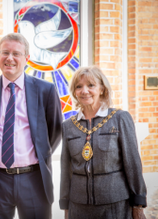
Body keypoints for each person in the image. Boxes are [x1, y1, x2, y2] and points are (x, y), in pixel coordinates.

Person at [0, 33, 63, 219]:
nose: (10, 58)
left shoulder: (46, 90)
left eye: (16, 53)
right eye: (5, 52)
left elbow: (54, 131)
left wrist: (38, 154)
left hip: (34, 179)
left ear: (26, 58)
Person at [59, 66, 147, 219]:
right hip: (78, 207)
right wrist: (65, 206)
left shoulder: (120, 118)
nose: (84, 91)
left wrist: (138, 204)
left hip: (115, 204)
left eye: (91, 85)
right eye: (78, 87)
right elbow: (66, 170)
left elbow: (132, 164)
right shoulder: (68, 126)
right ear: (74, 92)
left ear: (102, 89)